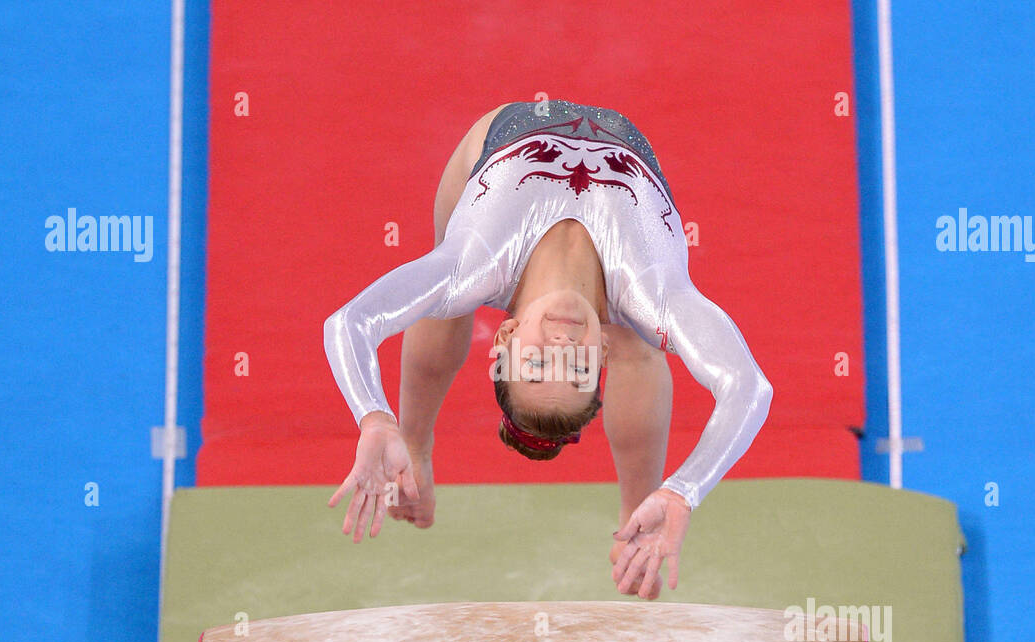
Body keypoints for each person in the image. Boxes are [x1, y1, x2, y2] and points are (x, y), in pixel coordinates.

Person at [324, 100, 773, 599]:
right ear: (598, 353)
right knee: (643, 342)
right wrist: (681, 492)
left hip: (500, 135)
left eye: (536, 364)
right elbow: (749, 388)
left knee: (443, 301)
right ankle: (641, 513)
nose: (562, 344)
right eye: (578, 368)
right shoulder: (654, 295)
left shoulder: (473, 265)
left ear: (505, 336)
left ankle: (412, 444)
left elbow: (349, 321)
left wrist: (375, 417)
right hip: (626, 146)